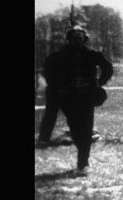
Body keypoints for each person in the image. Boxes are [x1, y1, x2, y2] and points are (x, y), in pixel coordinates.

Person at [41, 25, 113, 174]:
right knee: (75, 129)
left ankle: (83, 164)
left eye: (80, 38)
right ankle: (82, 153)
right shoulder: (60, 56)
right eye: (74, 38)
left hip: (87, 97)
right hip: (69, 98)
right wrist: (57, 86)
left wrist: (99, 82)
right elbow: (48, 71)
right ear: (69, 39)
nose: (77, 41)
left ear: (84, 39)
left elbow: (108, 68)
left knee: (86, 129)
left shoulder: (91, 54)